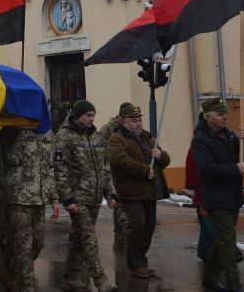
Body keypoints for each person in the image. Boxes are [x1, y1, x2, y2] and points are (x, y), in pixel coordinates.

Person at [53, 100, 116, 292]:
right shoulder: (64, 137)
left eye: (93, 115)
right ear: (78, 115)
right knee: (89, 238)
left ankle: (71, 276)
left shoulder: (97, 138)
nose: (92, 119)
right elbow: (59, 168)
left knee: (80, 238)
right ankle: (100, 280)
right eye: (88, 115)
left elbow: (105, 167)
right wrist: (67, 198)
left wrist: (110, 192)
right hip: (77, 196)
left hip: (95, 197)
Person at [191, 97, 244, 292]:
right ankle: (235, 285)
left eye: (225, 113)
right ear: (207, 117)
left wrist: (243, 142)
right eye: (219, 114)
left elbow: (243, 159)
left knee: (221, 240)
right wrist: (234, 169)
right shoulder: (200, 139)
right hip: (216, 199)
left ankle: (209, 277)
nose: (225, 117)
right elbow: (206, 168)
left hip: (232, 197)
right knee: (228, 241)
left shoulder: (229, 135)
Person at [107, 102, 170, 280]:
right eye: (133, 120)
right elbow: (119, 160)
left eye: (139, 120)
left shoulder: (147, 137)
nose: (138, 123)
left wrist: (160, 155)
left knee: (149, 227)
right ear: (124, 121)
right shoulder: (116, 139)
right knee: (138, 225)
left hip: (150, 191)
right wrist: (143, 170)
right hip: (131, 192)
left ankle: (141, 261)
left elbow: (164, 161)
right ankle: (133, 264)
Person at [0, 125, 60, 292]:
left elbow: (49, 169)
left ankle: (10, 272)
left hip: (39, 200)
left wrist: (54, 198)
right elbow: (12, 158)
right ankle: (26, 286)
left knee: (37, 244)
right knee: (23, 247)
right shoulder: (14, 131)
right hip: (20, 198)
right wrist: (20, 134)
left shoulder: (45, 135)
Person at [99, 103, 132, 251]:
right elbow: (100, 152)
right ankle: (123, 245)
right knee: (121, 212)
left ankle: (121, 244)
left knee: (123, 212)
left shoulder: (131, 130)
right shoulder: (107, 130)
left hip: (129, 175)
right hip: (113, 174)